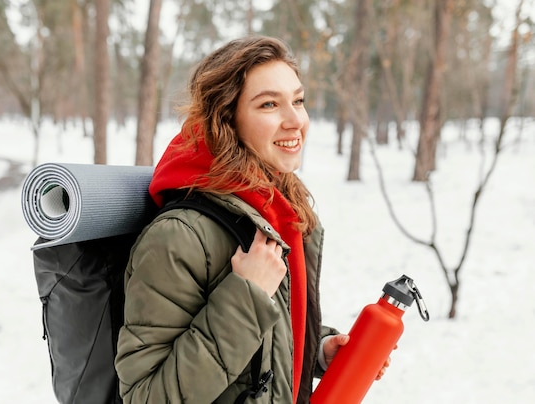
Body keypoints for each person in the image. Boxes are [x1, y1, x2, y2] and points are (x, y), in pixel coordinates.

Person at [115, 35, 390, 403]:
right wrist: (247, 296)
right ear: (226, 119)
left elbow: (254, 350)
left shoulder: (277, 208)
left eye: (298, 100)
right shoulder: (179, 236)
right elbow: (145, 397)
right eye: (269, 104)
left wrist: (319, 350)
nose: (295, 120)